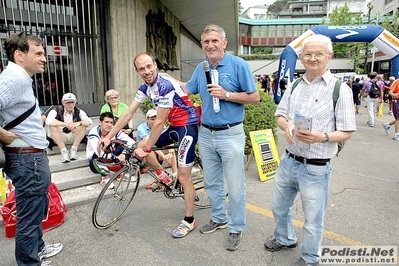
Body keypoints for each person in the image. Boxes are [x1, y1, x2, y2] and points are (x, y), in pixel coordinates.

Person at [264, 34, 356, 266]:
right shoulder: (294, 84)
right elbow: (280, 115)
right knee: (278, 206)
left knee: (313, 218)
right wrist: (287, 126)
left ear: (329, 57)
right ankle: (285, 239)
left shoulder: (340, 89)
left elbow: (347, 131)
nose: (313, 58)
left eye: (318, 54)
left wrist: (322, 137)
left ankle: (310, 257)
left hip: (316, 167)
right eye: (308, 54)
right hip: (288, 161)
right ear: (302, 58)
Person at [99, 52, 200, 238]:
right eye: (141, 68)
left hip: (187, 127)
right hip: (173, 126)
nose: (146, 71)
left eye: (149, 66)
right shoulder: (145, 87)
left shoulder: (165, 86)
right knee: (143, 143)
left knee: (184, 178)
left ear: (154, 65)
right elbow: (129, 113)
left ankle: (189, 219)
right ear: (136, 71)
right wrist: (108, 136)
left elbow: (159, 122)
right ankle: (164, 175)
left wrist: (145, 150)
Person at [183, 24, 260, 251]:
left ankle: (236, 227)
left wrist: (226, 95)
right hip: (206, 134)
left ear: (224, 43)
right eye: (206, 42)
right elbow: (187, 90)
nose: (210, 45)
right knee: (211, 182)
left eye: (215, 41)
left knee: (236, 187)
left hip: (230, 133)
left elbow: (254, 97)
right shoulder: (201, 68)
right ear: (202, 45)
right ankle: (219, 218)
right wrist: (162, 80)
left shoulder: (238, 65)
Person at [0, 32, 63, 266]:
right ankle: (29, 262)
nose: (44, 58)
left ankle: (38, 249)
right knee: (29, 216)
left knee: (35, 208)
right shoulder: (13, 78)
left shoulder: (20, 78)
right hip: (27, 159)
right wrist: (2, 133)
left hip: (31, 158)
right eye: (38, 53)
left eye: (44, 53)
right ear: (19, 55)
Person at [86, 112, 135, 185]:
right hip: (95, 162)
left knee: (124, 145)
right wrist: (117, 158)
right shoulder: (94, 132)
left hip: (112, 157)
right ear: (100, 122)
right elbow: (98, 152)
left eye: (111, 122)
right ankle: (104, 178)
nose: (109, 125)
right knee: (102, 147)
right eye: (106, 122)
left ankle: (119, 174)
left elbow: (131, 142)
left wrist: (123, 154)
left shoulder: (114, 130)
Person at [136, 109, 178, 190]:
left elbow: (170, 141)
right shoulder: (141, 128)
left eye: (156, 118)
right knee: (148, 149)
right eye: (152, 119)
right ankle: (164, 176)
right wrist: (163, 156)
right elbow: (149, 144)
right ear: (147, 119)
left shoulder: (162, 126)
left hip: (158, 150)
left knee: (171, 150)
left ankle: (175, 175)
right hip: (148, 152)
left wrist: (170, 153)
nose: (154, 121)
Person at [46, 93, 92, 162]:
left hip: (74, 136)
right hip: (59, 137)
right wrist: (65, 124)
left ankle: (74, 149)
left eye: (72, 102)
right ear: (63, 102)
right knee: (54, 125)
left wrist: (77, 123)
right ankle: (64, 151)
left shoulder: (79, 111)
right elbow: (48, 121)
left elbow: (89, 121)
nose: (70, 105)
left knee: (83, 124)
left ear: (75, 102)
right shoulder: (55, 110)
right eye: (67, 102)